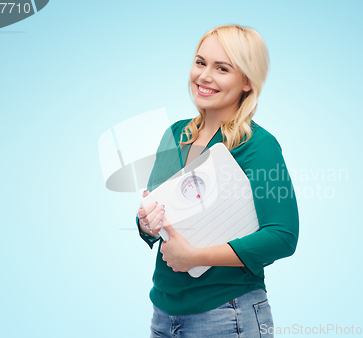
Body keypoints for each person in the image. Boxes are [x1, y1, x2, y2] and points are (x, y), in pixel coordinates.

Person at [136, 24, 299, 338]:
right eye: (200, 63)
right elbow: (158, 217)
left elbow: (282, 236)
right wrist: (147, 223)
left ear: (247, 82)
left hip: (227, 313)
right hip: (164, 312)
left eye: (222, 68)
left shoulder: (257, 145)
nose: (204, 76)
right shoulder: (176, 134)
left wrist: (196, 258)